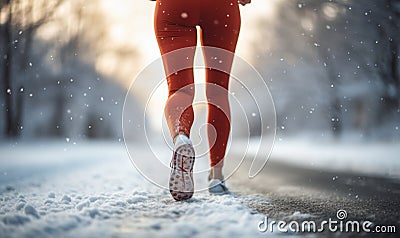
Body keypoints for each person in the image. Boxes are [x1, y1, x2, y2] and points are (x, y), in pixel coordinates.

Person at [154, 0, 251, 201]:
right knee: (217, 92)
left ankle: (181, 137)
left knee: (179, 89)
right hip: (221, 6)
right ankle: (216, 177)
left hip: (174, 6)